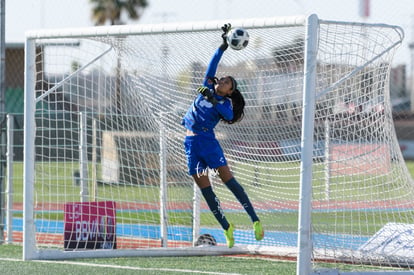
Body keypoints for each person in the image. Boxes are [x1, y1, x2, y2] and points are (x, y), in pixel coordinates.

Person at [181, 23, 264, 248]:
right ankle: (227, 227)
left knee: (229, 182)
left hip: (208, 144)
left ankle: (255, 220)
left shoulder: (224, 102)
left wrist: (212, 97)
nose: (223, 80)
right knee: (206, 191)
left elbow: (226, 113)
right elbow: (214, 62)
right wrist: (224, 44)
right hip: (190, 144)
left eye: (228, 82)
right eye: (223, 78)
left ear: (230, 91)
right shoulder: (207, 84)